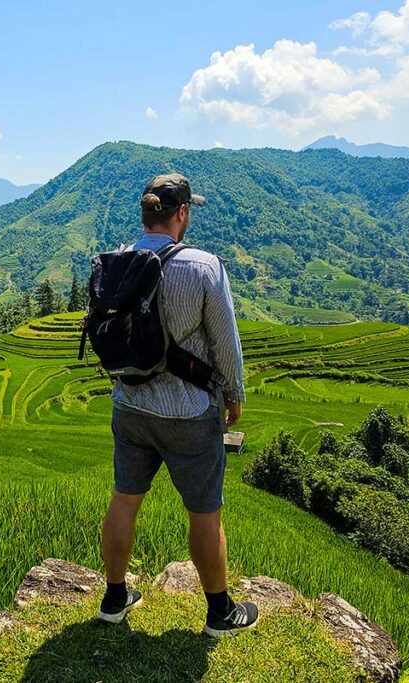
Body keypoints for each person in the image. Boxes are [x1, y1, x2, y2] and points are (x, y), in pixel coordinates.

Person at [95, 173, 258, 638]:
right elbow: (227, 344)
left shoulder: (119, 260)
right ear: (182, 213)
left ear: (146, 214)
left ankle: (114, 597)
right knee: (205, 512)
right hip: (189, 410)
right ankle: (219, 612)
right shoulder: (204, 266)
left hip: (130, 404)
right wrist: (234, 394)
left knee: (125, 499)